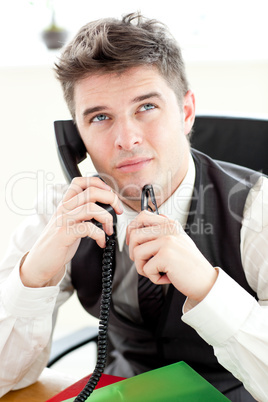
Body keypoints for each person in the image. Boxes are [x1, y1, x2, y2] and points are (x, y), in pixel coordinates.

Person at [0, 12, 267, 401]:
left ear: (186, 112)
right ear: (76, 139)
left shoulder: (256, 213)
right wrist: (36, 274)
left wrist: (209, 289)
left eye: (146, 107)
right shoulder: (60, 214)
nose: (126, 138)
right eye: (100, 117)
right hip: (119, 393)